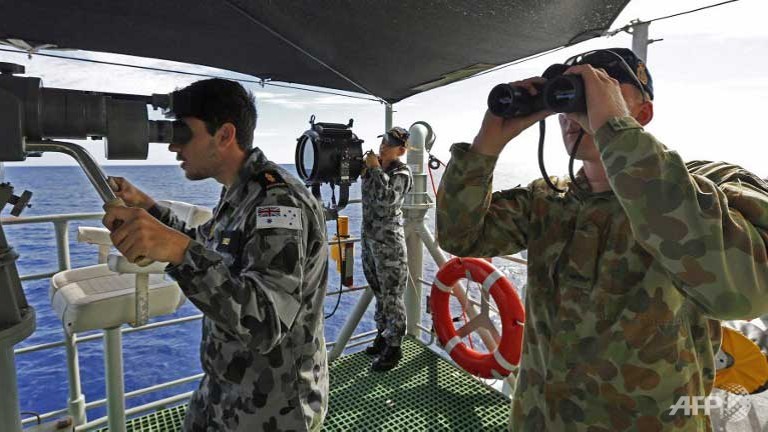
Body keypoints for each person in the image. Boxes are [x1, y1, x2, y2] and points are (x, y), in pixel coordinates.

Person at [437, 48, 768, 431]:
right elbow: (459, 235)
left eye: (595, 89)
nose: (573, 114)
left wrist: (614, 127)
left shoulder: (708, 185)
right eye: (569, 95)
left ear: (642, 114)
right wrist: (487, 145)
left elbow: (746, 291)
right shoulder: (549, 198)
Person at [103, 78, 329, 432]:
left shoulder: (277, 201)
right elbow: (207, 247)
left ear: (224, 135)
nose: (174, 147)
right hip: (226, 388)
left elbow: (266, 323)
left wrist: (178, 251)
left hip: (272, 409)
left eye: (184, 133)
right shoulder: (241, 192)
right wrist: (148, 208)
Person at [361, 126, 413, 371]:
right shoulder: (377, 169)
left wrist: (373, 168)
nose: (383, 146)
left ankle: (394, 347)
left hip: (389, 244)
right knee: (379, 292)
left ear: (401, 150)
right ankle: (382, 334)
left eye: (388, 144)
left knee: (392, 295)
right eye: (382, 141)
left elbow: (387, 201)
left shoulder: (402, 173)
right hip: (370, 240)